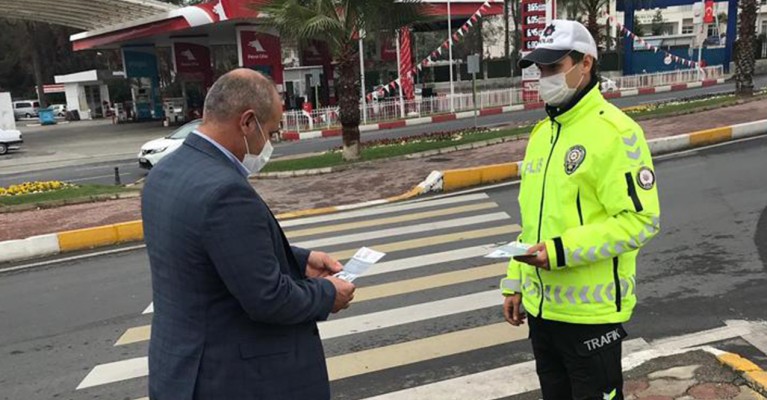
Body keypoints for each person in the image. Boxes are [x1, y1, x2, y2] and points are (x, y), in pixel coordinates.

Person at [142, 69, 356, 400]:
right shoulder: (225, 192)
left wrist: (300, 260)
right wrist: (327, 293)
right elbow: (268, 299)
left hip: (179, 368)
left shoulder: (166, 172)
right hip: (233, 378)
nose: (270, 143)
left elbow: (213, 250)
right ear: (247, 122)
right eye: (271, 132)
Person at [500, 20, 661, 400]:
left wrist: (560, 251)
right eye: (540, 70)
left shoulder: (616, 133)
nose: (544, 78)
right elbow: (533, 222)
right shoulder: (542, 136)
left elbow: (640, 221)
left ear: (585, 63)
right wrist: (514, 283)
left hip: (591, 319)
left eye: (553, 68)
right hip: (542, 313)